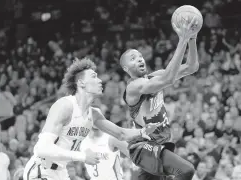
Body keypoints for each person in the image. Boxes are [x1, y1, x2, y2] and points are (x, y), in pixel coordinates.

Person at [23, 58, 161, 180]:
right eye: (94, 76)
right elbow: (41, 148)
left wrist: (142, 132)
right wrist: (82, 157)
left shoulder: (93, 114)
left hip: (61, 172)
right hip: (41, 170)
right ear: (81, 83)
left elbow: (120, 133)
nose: (100, 80)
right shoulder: (64, 106)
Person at [120, 18, 200, 180]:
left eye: (140, 56)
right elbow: (168, 80)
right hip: (143, 147)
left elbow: (191, 67)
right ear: (126, 68)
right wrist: (182, 40)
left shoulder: (154, 77)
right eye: (133, 58)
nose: (140, 59)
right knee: (186, 170)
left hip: (160, 144)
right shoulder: (133, 87)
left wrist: (192, 38)